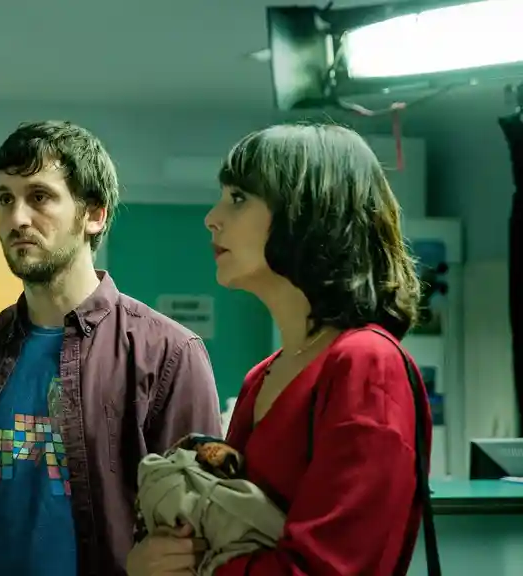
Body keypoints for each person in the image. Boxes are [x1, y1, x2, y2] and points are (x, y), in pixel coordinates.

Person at [0, 121, 223, 576]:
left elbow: (195, 534)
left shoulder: (167, 354)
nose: (17, 218)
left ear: (94, 215)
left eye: (39, 197)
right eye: (4, 199)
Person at [127, 123, 431, 575]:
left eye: (237, 198)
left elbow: (332, 568)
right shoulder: (263, 375)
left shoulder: (367, 363)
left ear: (307, 213)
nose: (212, 217)